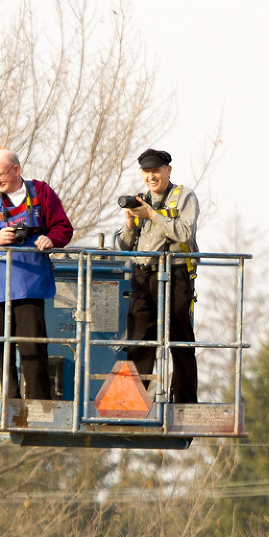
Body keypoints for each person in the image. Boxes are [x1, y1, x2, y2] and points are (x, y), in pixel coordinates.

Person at [0, 149, 73, 399]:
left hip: (30, 281)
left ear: (16, 170)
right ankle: (10, 400)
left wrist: (50, 239)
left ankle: (38, 401)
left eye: (0, 175)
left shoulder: (42, 193)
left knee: (32, 345)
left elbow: (63, 228)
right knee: (2, 345)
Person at [116, 148, 199, 404]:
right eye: (146, 172)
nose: (151, 176)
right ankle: (129, 402)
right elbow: (125, 245)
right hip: (143, 275)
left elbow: (185, 233)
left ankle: (185, 401)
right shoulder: (140, 199)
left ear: (168, 171)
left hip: (176, 274)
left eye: (156, 171)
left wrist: (153, 215)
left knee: (180, 338)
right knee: (138, 340)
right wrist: (130, 222)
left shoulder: (184, 196)